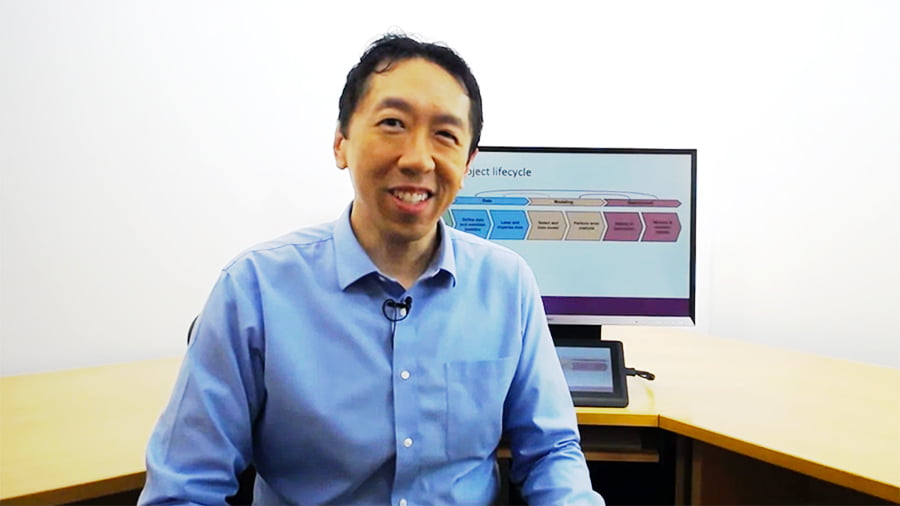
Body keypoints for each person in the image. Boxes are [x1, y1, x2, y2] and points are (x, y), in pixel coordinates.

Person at [139, 32, 604, 505]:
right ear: (341, 143)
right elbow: (184, 487)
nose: (418, 159)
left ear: (468, 164)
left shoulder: (507, 285)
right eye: (392, 123)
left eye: (445, 135)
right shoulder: (254, 289)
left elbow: (551, 452)